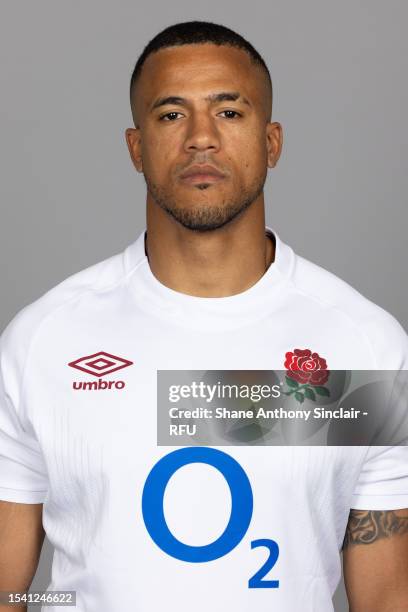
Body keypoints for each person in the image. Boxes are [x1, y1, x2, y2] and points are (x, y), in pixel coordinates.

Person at [0, 19, 407, 612]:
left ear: (272, 142)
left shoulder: (366, 349)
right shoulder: (43, 342)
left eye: (230, 112)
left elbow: (387, 599)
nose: (200, 138)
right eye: (170, 115)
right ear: (136, 148)